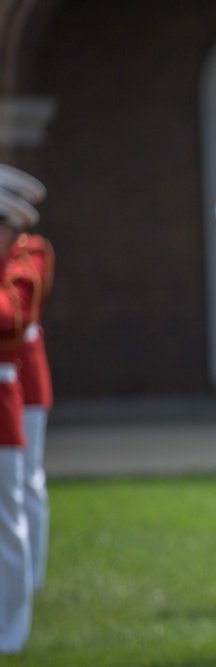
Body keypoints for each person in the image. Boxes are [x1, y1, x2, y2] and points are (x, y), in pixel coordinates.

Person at [0, 165, 51, 593]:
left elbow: (15, 313)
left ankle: (29, 582)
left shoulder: (30, 252)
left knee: (25, 482)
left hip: (22, 380)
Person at [0, 190, 42, 653]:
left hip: (2, 404)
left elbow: (10, 316)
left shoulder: (24, 265)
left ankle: (11, 633)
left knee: (8, 521)